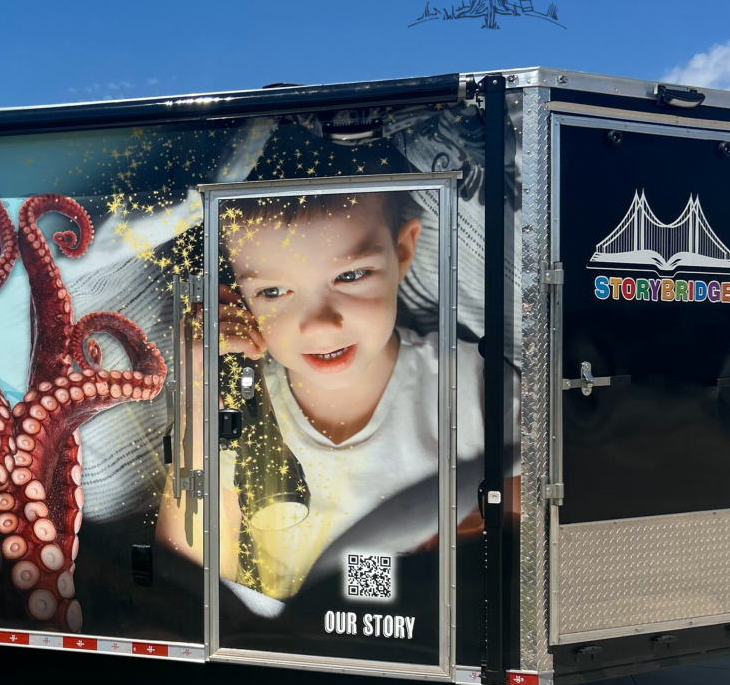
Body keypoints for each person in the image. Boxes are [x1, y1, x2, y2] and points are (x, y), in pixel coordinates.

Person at [156, 188, 494, 603]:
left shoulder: (471, 389)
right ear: (238, 299)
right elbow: (187, 579)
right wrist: (196, 392)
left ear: (402, 253)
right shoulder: (232, 407)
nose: (318, 325)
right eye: (273, 292)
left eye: (350, 275)